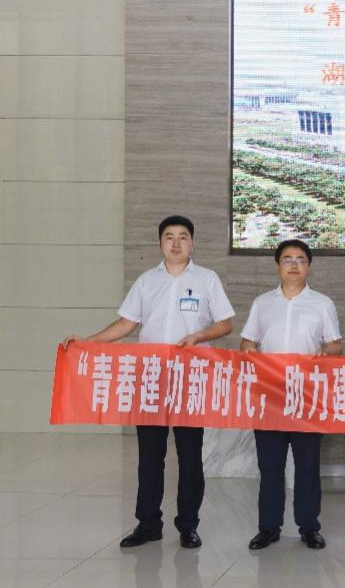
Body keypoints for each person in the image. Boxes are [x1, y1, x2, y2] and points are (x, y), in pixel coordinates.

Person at [62, 215, 234, 549]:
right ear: (160, 243)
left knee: (190, 455)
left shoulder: (207, 279)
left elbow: (226, 323)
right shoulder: (146, 281)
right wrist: (87, 342)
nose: (176, 243)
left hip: (189, 379)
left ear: (192, 243)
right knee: (150, 455)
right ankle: (148, 523)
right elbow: (126, 324)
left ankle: (188, 525)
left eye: (183, 237)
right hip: (151, 379)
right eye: (169, 237)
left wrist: (199, 336)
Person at [241, 239, 342, 551]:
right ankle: (268, 527)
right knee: (270, 466)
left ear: (309, 267)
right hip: (269, 396)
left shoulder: (322, 303)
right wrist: (249, 350)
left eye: (300, 259)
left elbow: (335, 344)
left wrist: (326, 353)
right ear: (278, 266)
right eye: (287, 259)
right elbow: (247, 341)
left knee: (307, 465)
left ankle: (309, 527)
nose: (294, 264)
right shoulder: (262, 303)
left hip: (306, 396)